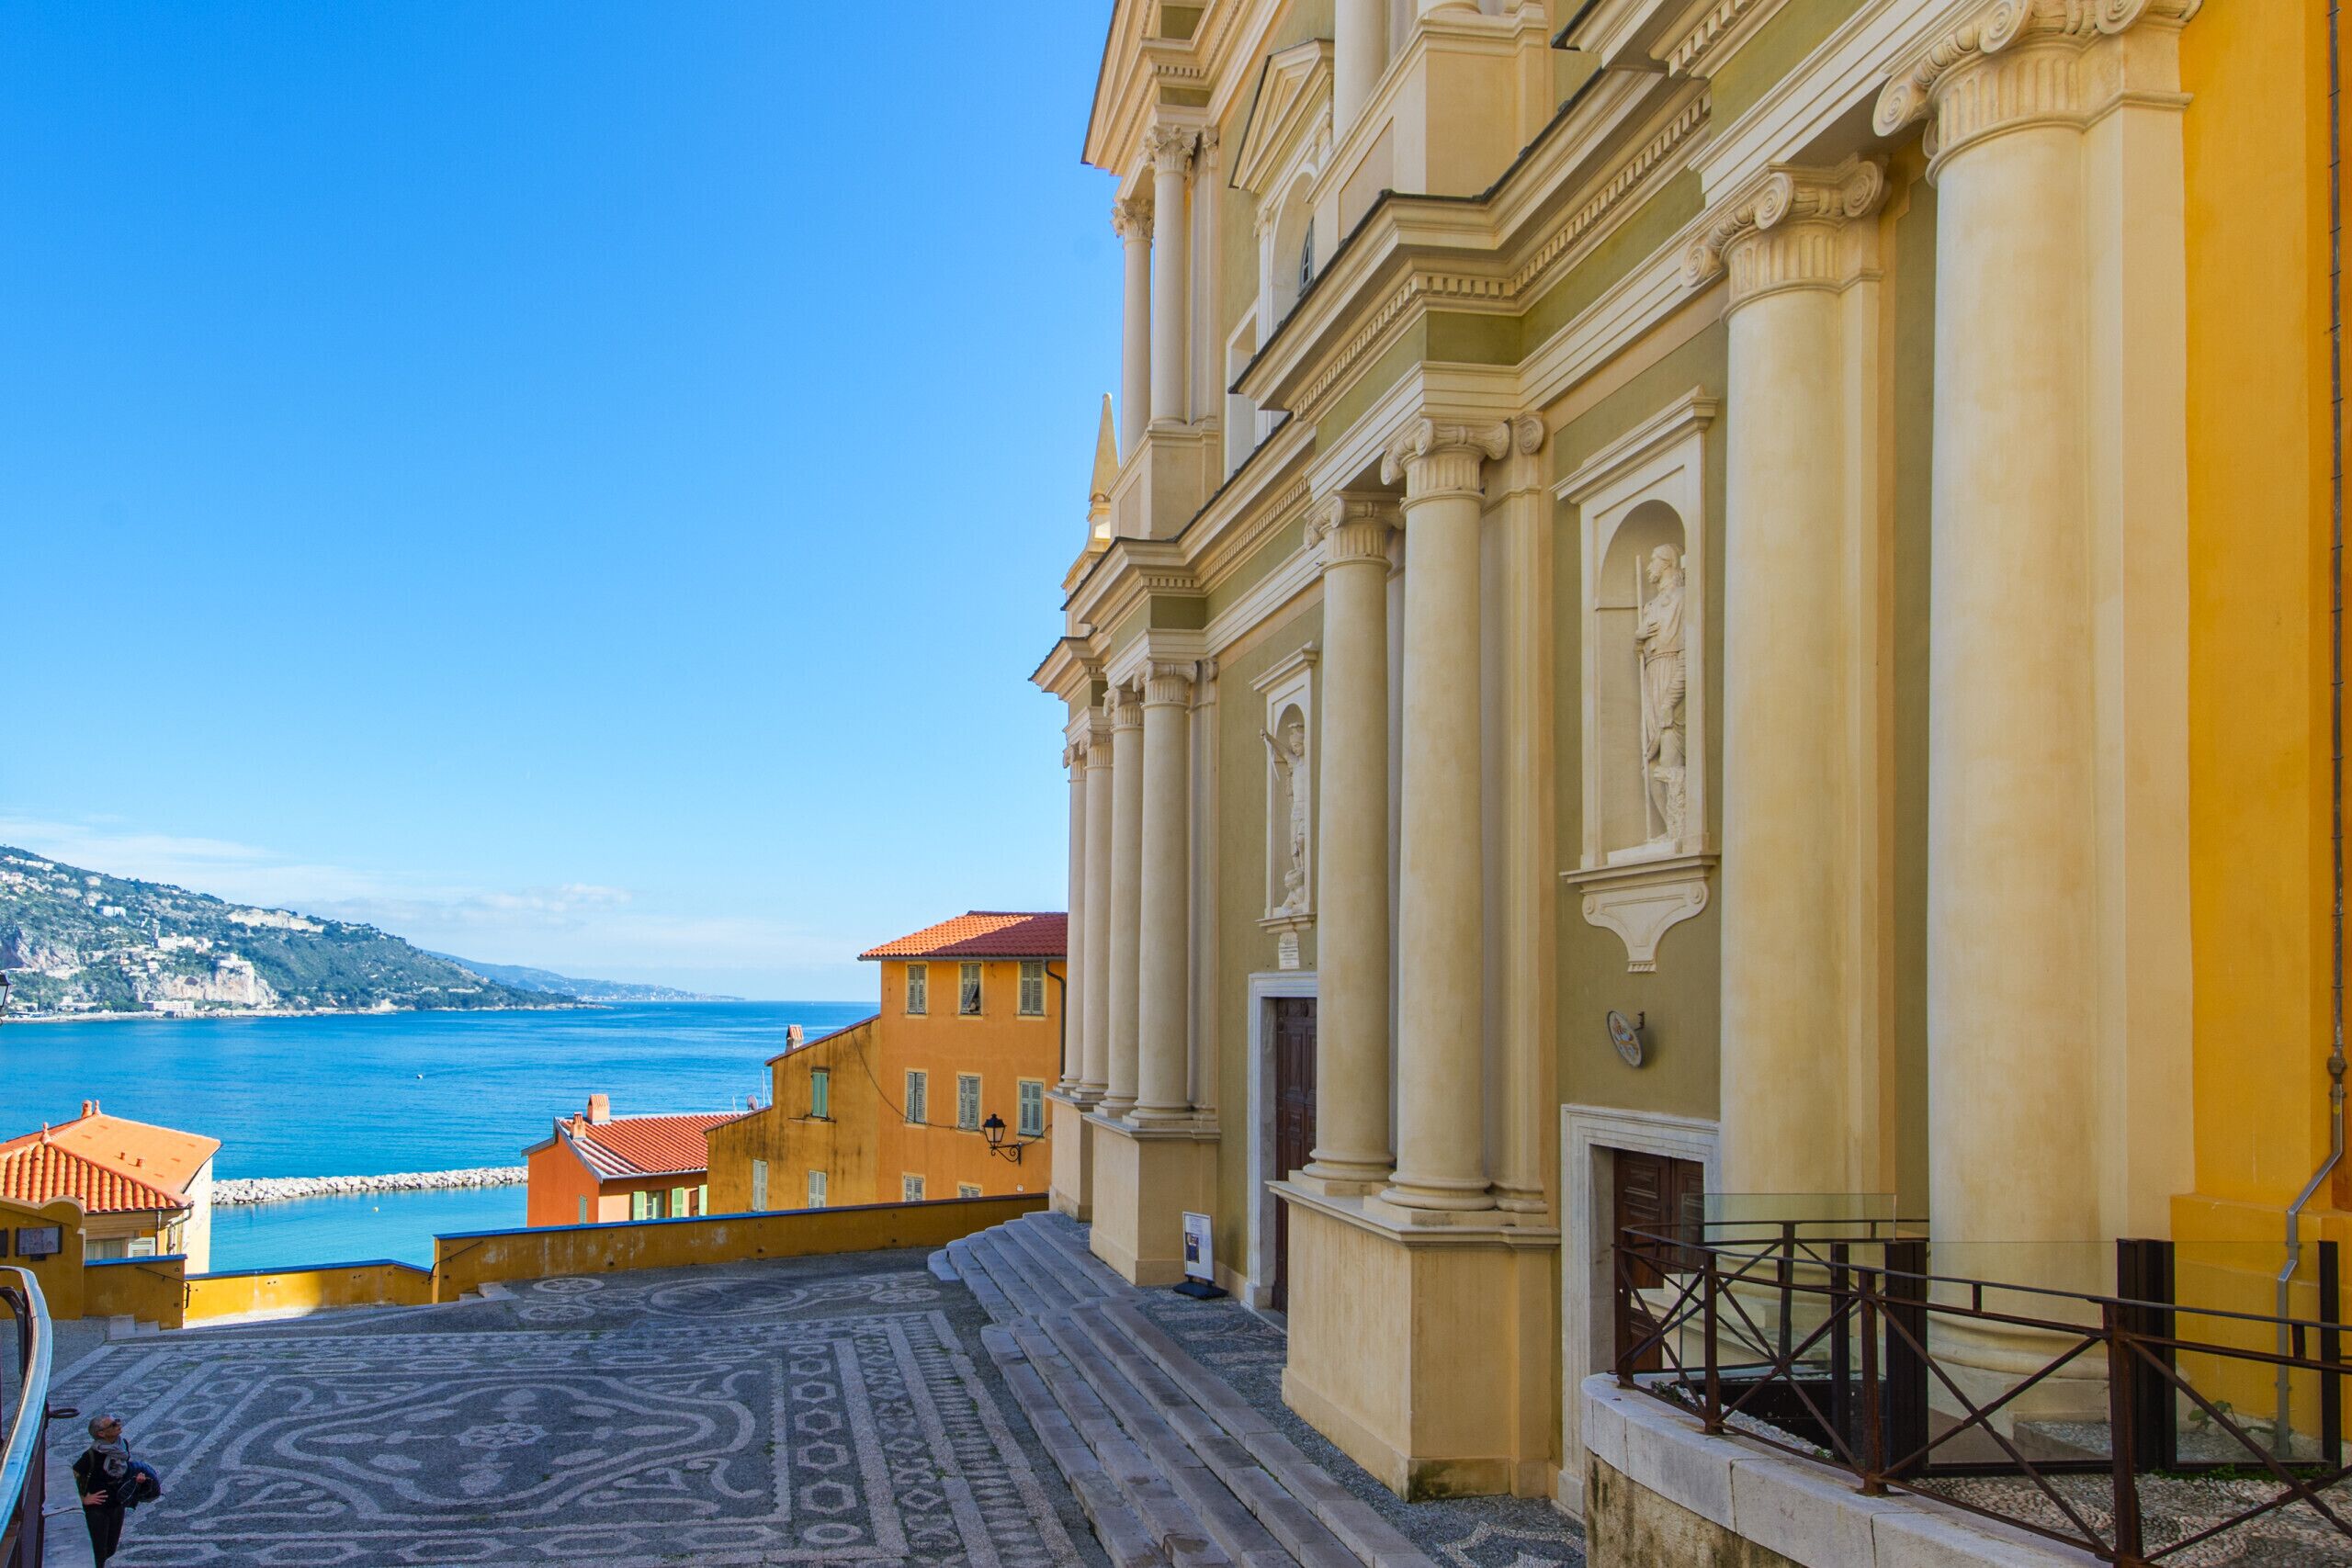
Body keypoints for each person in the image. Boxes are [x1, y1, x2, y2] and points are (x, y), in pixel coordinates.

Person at [73, 1413, 161, 1566]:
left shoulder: (122, 1445)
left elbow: (123, 1471)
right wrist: (84, 1499)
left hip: (117, 1503)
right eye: (113, 1425)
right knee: (98, 1552)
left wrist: (136, 1479)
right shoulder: (92, 1455)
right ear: (101, 1433)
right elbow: (72, 1476)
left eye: (117, 1421)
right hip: (97, 1509)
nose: (118, 1425)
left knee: (110, 1549)